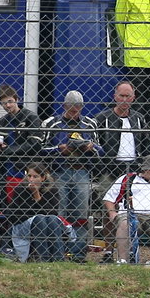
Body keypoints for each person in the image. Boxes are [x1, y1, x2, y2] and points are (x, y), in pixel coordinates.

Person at [103, 155, 150, 264]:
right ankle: (122, 260)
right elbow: (109, 199)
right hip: (131, 214)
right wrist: (112, 213)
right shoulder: (129, 179)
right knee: (125, 223)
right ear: (147, 170)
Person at [42, 90, 100, 225]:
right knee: (59, 210)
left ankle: (78, 244)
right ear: (64, 106)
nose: (75, 113)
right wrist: (59, 149)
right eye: (71, 110)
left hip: (82, 172)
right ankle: (58, 242)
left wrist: (91, 148)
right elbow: (40, 150)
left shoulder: (90, 124)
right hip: (59, 172)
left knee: (81, 212)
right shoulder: (52, 123)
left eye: (78, 109)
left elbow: (101, 151)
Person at [8, 162, 78, 262]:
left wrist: (37, 196)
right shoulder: (20, 189)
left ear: (43, 178)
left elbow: (52, 212)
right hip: (23, 225)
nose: (31, 179)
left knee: (52, 219)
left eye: (35, 176)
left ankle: (58, 258)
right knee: (40, 219)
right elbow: (14, 217)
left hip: (48, 223)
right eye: (29, 176)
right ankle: (43, 258)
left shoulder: (52, 189)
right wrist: (35, 211)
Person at [0, 84, 45, 182]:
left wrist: (8, 149)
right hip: (6, 169)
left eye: (10, 101)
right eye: (4, 103)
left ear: (17, 100)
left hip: (26, 168)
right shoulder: (2, 121)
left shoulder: (31, 117)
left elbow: (35, 145)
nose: (7, 105)